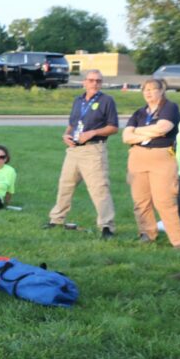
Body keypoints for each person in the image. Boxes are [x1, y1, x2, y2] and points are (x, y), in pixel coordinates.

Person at [44, 69, 118, 238]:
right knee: (65, 185)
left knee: (99, 189)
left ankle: (107, 226)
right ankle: (56, 219)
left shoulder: (107, 101)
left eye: (98, 81)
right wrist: (66, 135)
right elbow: (72, 123)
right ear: (84, 82)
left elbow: (113, 127)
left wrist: (92, 133)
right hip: (74, 150)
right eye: (91, 80)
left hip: (94, 149)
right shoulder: (78, 100)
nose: (95, 83)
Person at [122, 78, 180, 247]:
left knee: (165, 200)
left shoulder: (169, 107)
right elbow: (126, 137)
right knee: (141, 200)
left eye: (152, 89)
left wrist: (138, 131)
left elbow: (163, 127)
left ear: (161, 90)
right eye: (145, 90)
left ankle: (178, 240)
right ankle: (147, 234)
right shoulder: (139, 113)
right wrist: (150, 133)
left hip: (162, 157)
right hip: (137, 157)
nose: (148, 92)